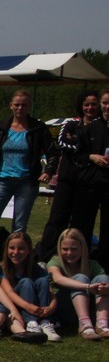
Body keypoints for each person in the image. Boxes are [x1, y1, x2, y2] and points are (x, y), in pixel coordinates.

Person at [0, 90, 52, 256]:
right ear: (11, 106)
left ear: (30, 107)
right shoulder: (1, 127)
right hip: (2, 180)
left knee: (19, 226)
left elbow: (53, 152)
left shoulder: (38, 128)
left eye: (24, 105)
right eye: (17, 105)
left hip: (27, 182)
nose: (20, 108)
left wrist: (48, 171)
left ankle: (15, 261)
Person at [37, 90, 100, 263]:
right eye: (86, 104)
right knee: (57, 219)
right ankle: (46, 258)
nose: (90, 108)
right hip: (67, 180)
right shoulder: (70, 123)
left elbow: (100, 148)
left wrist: (78, 143)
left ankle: (80, 261)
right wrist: (88, 150)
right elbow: (63, 143)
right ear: (81, 105)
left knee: (83, 223)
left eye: (94, 104)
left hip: (88, 183)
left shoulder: (102, 127)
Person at [47, 228, 109, 339]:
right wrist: (87, 287)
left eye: (74, 249)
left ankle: (102, 324)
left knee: (103, 278)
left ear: (82, 248)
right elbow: (58, 278)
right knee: (81, 278)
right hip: (64, 309)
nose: (69, 253)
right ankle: (84, 325)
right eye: (65, 249)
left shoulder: (92, 264)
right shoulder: (55, 261)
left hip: (89, 309)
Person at [71, 88, 109, 265]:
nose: (107, 107)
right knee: (82, 224)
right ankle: (79, 261)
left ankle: (104, 264)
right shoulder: (91, 128)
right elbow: (77, 156)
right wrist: (92, 157)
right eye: (105, 103)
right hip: (89, 184)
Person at [0, 231, 55, 344]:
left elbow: (51, 292)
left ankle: (45, 322)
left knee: (43, 281)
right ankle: (31, 323)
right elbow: (9, 292)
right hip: (14, 306)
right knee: (26, 282)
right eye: (12, 248)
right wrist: (29, 307)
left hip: (37, 308)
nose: (16, 252)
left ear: (29, 250)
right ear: (6, 249)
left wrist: (51, 308)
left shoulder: (36, 268)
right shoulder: (1, 269)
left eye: (21, 248)